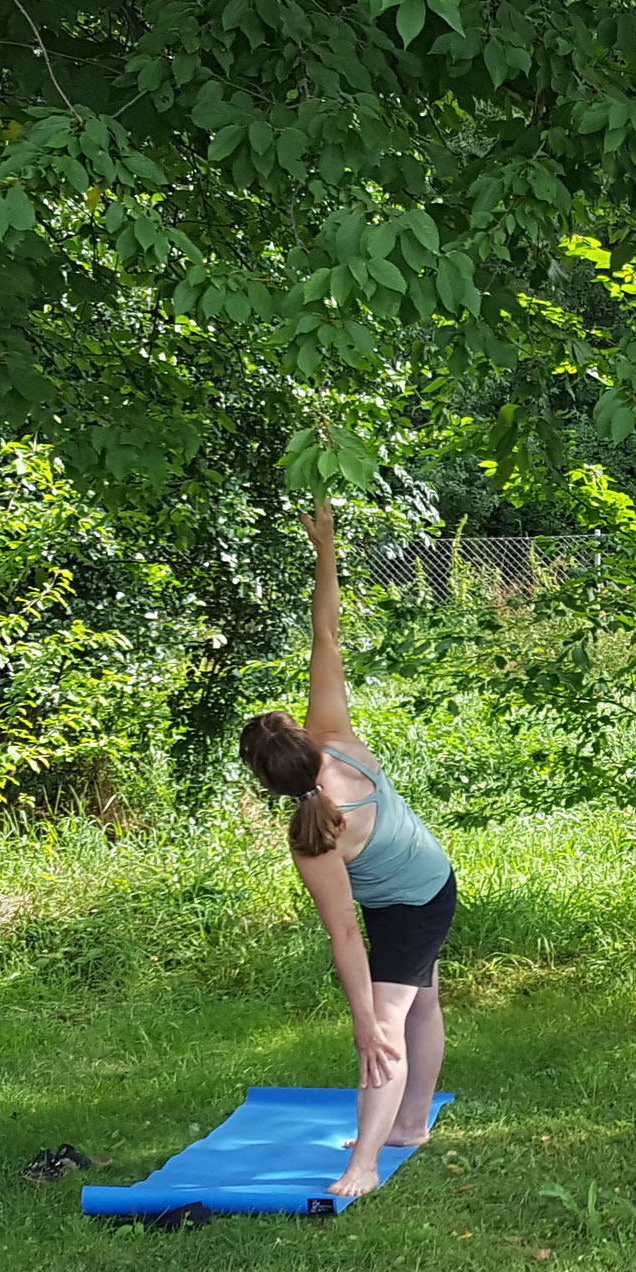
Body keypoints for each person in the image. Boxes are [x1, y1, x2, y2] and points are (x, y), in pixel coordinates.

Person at [240, 500, 459, 1201]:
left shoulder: (310, 837)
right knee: (419, 1002)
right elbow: (325, 633)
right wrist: (325, 547)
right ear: (301, 741)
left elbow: (344, 935)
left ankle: (363, 1166)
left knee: (391, 1024)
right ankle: (411, 1124)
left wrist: (366, 1024)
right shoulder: (336, 740)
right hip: (427, 882)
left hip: (420, 898)